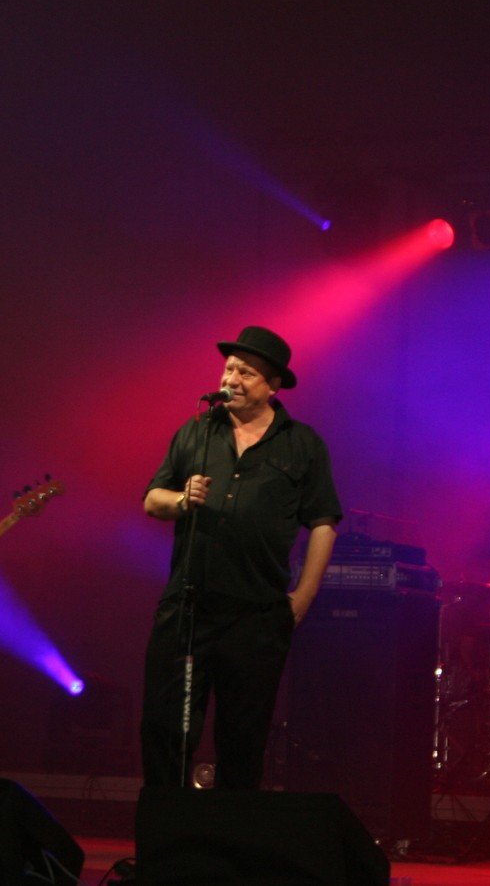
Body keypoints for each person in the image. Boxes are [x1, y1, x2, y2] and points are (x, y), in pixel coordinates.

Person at [139, 326, 342, 789]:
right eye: (229, 368)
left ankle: (232, 833)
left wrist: (304, 596)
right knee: (167, 731)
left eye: (246, 372)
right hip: (188, 608)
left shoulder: (302, 444)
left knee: (243, 739)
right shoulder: (196, 431)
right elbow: (152, 499)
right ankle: (166, 829)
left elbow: (323, 522)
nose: (231, 378)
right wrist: (182, 500)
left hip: (257, 614)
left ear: (273, 385)